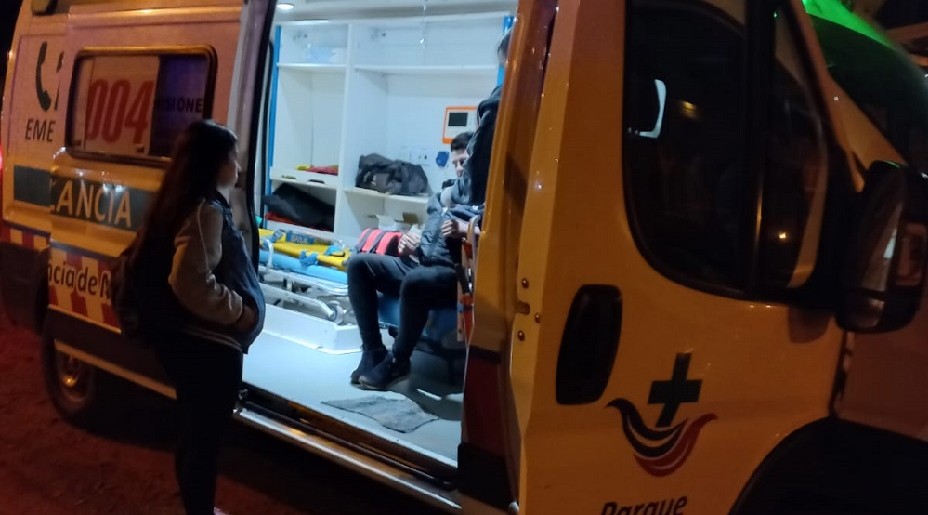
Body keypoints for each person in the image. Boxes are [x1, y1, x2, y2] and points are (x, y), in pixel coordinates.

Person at [141, 120, 265, 515]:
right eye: (232, 158)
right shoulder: (207, 211)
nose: (238, 167)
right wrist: (238, 312)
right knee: (203, 439)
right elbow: (190, 280)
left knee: (193, 432)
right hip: (209, 347)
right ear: (214, 163)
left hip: (192, 344)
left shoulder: (188, 202)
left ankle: (197, 508)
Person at [348, 133, 477, 390]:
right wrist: (410, 245)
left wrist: (467, 229)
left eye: (464, 161)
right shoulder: (441, 197)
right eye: (455, 163)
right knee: (358, 264)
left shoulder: (482, 199)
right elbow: (429, 242)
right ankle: (373, 351)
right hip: (422, 264)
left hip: (455, 274)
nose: (459, 168)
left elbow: (494, 241)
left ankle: (398, 360)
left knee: (417, 280)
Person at [440, 29, 510, 208]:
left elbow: (475, 183)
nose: (459, 168)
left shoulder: (503, 100)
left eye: (463, 162)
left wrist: (449, 196)